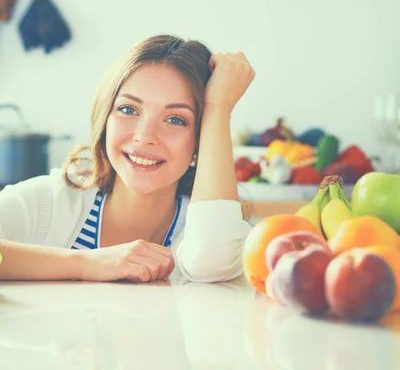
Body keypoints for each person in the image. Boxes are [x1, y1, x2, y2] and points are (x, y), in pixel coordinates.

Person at [0, 34, 255, 283]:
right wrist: (87, 263)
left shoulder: (210, 226)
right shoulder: (50, 203)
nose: (144, 137)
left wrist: (219, 107)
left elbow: (212, 264)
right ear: (105, 117)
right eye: (128, 109)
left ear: (201, 140)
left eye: (176, 119)